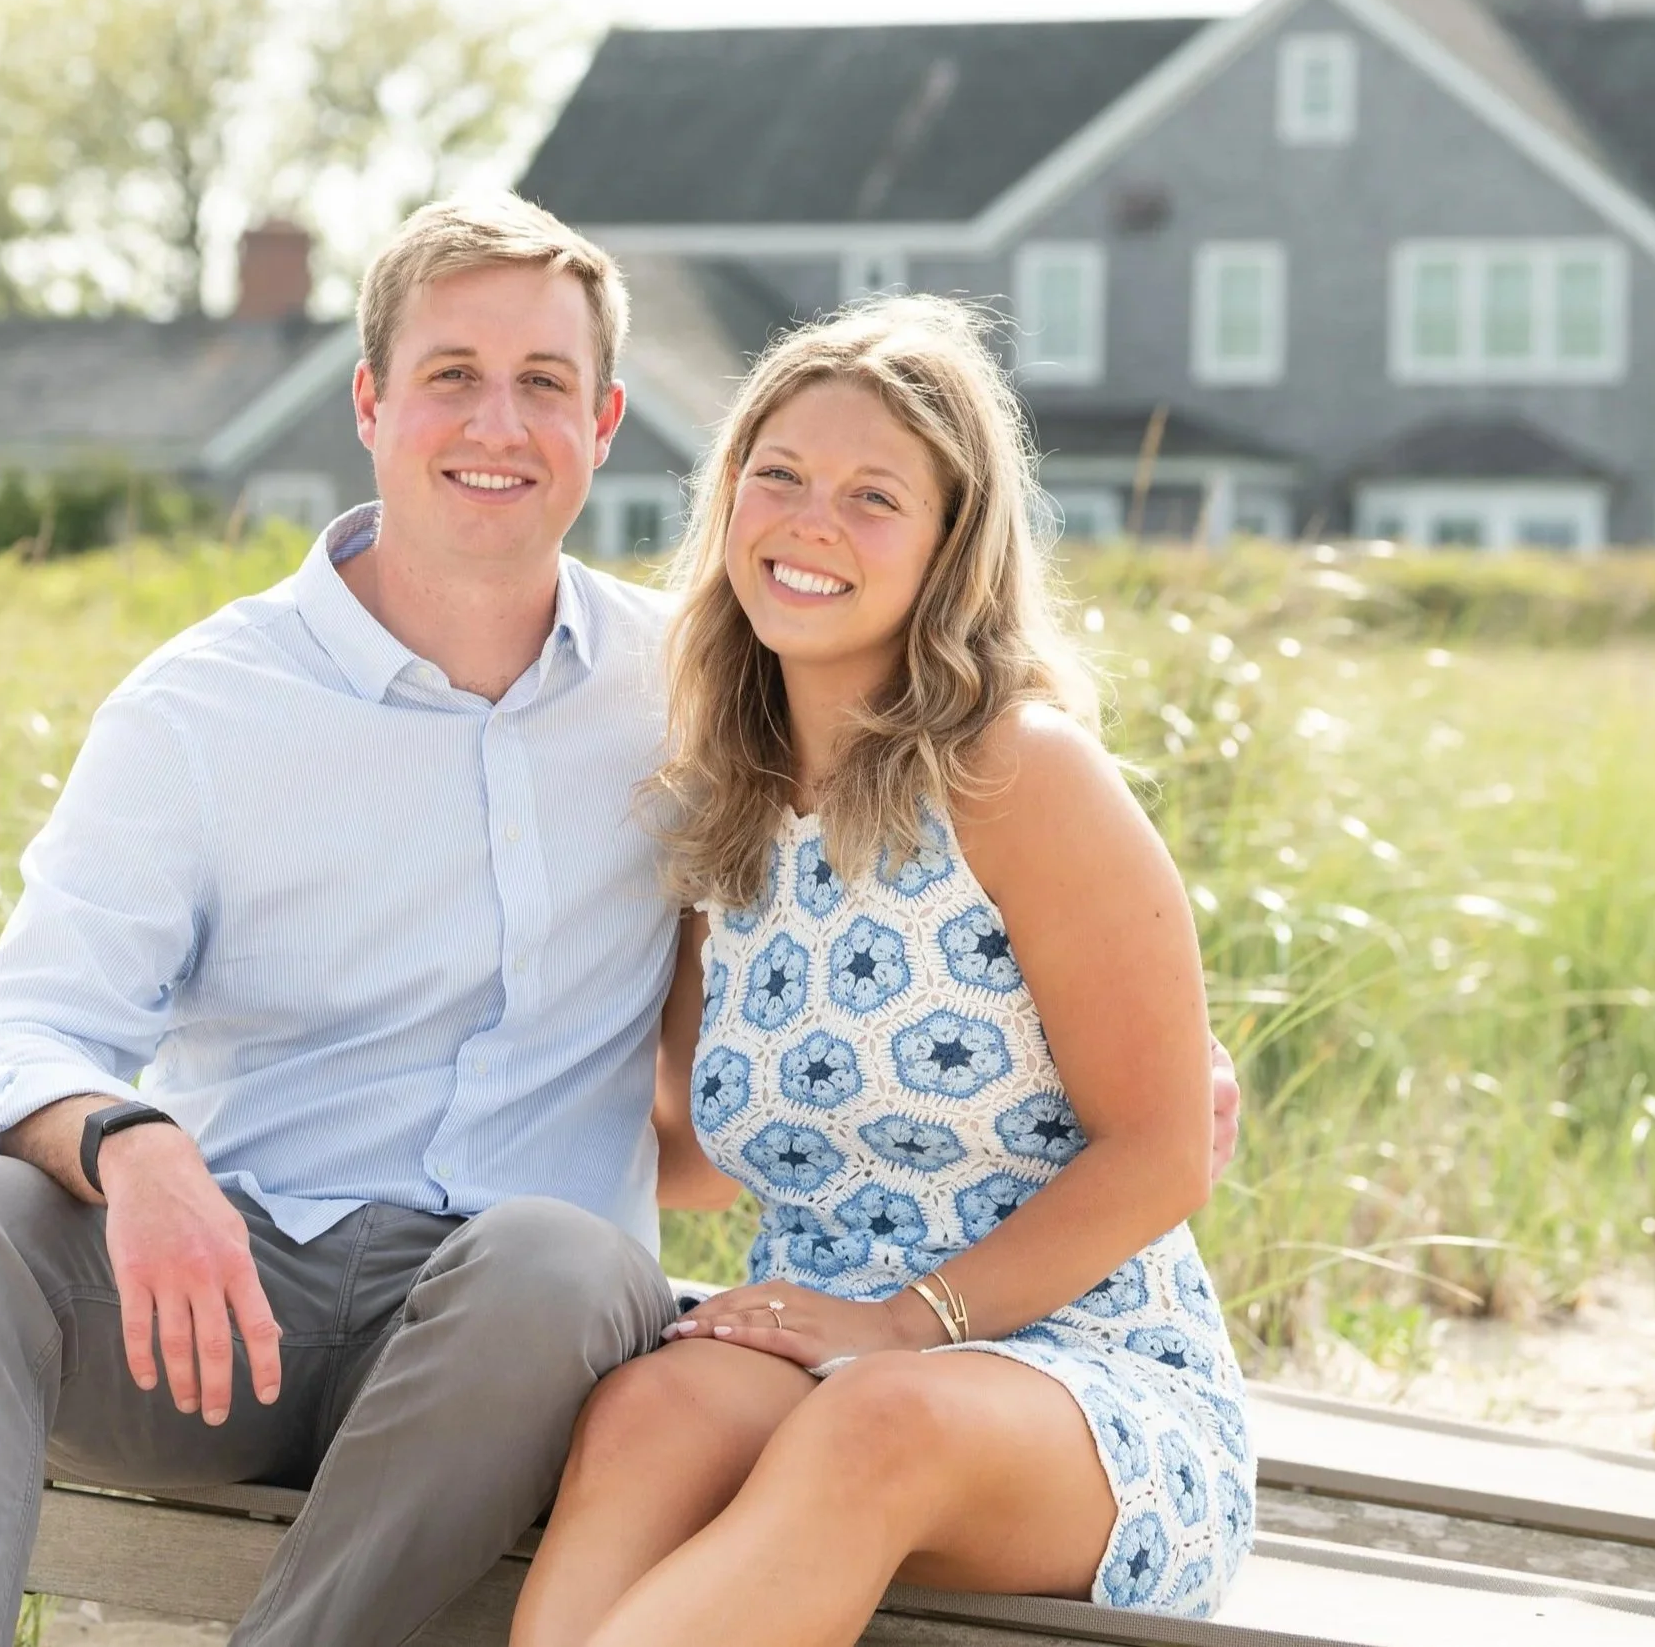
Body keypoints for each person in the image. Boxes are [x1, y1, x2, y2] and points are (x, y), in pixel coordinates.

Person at [0, 196, 1242, 1647]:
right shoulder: (234, 713)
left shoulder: (688, 704)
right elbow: (11, 1035)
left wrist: (1132, 1099)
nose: (496, 423)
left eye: (544, 384)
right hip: (238, 1308)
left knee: (565, 1262)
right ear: (369, 400)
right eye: (452, 374)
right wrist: (127, 1144)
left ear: (607, 422)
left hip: (555, 1334)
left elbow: (1103, 1112)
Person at [509, 296, 1253, 1647]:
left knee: (875, 1422)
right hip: (819, 1340)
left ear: (949, 547)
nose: (810, 522)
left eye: (873, 496)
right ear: (729, 497)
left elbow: (1160, 1154)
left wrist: (911, 1323)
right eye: (779, 476)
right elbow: (690, 1159)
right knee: (651, 1405)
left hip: (1081, 1379)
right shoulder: (719, 814)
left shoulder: (1021, 775)